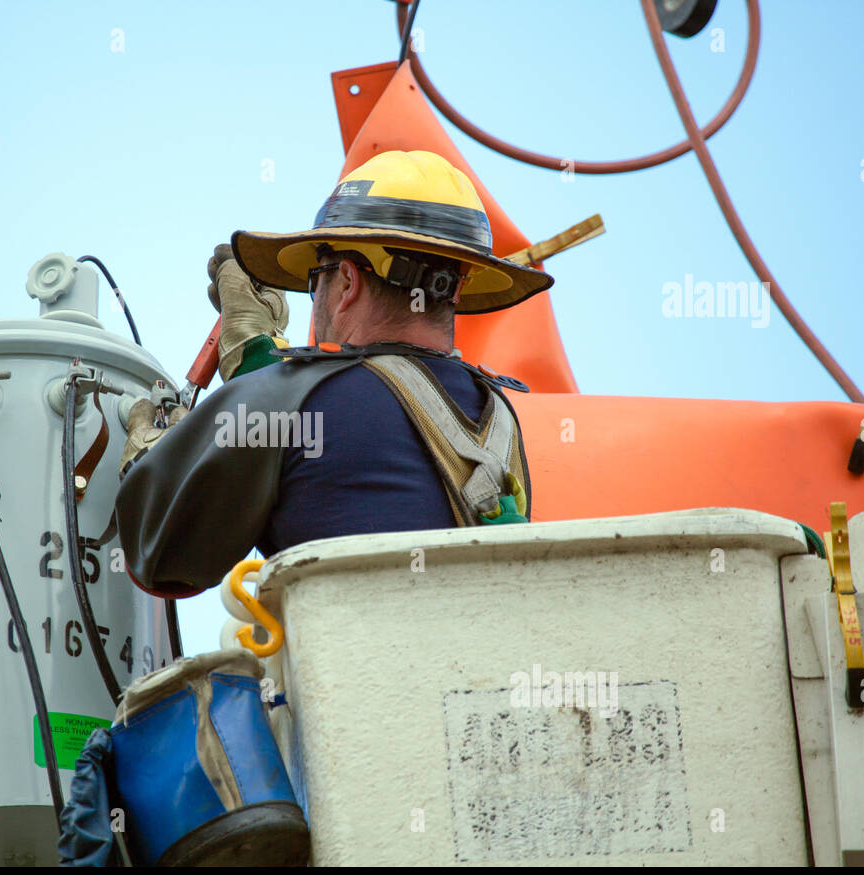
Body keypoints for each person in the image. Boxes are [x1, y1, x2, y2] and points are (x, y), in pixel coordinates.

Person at [114, 149, 554, 598]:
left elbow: (160, 558)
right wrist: (256, 365)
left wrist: (145, 464)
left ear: (347, 282)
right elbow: (359, 414)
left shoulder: (289, 402)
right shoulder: (503, 421)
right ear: (457, 288)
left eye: (316, 278)